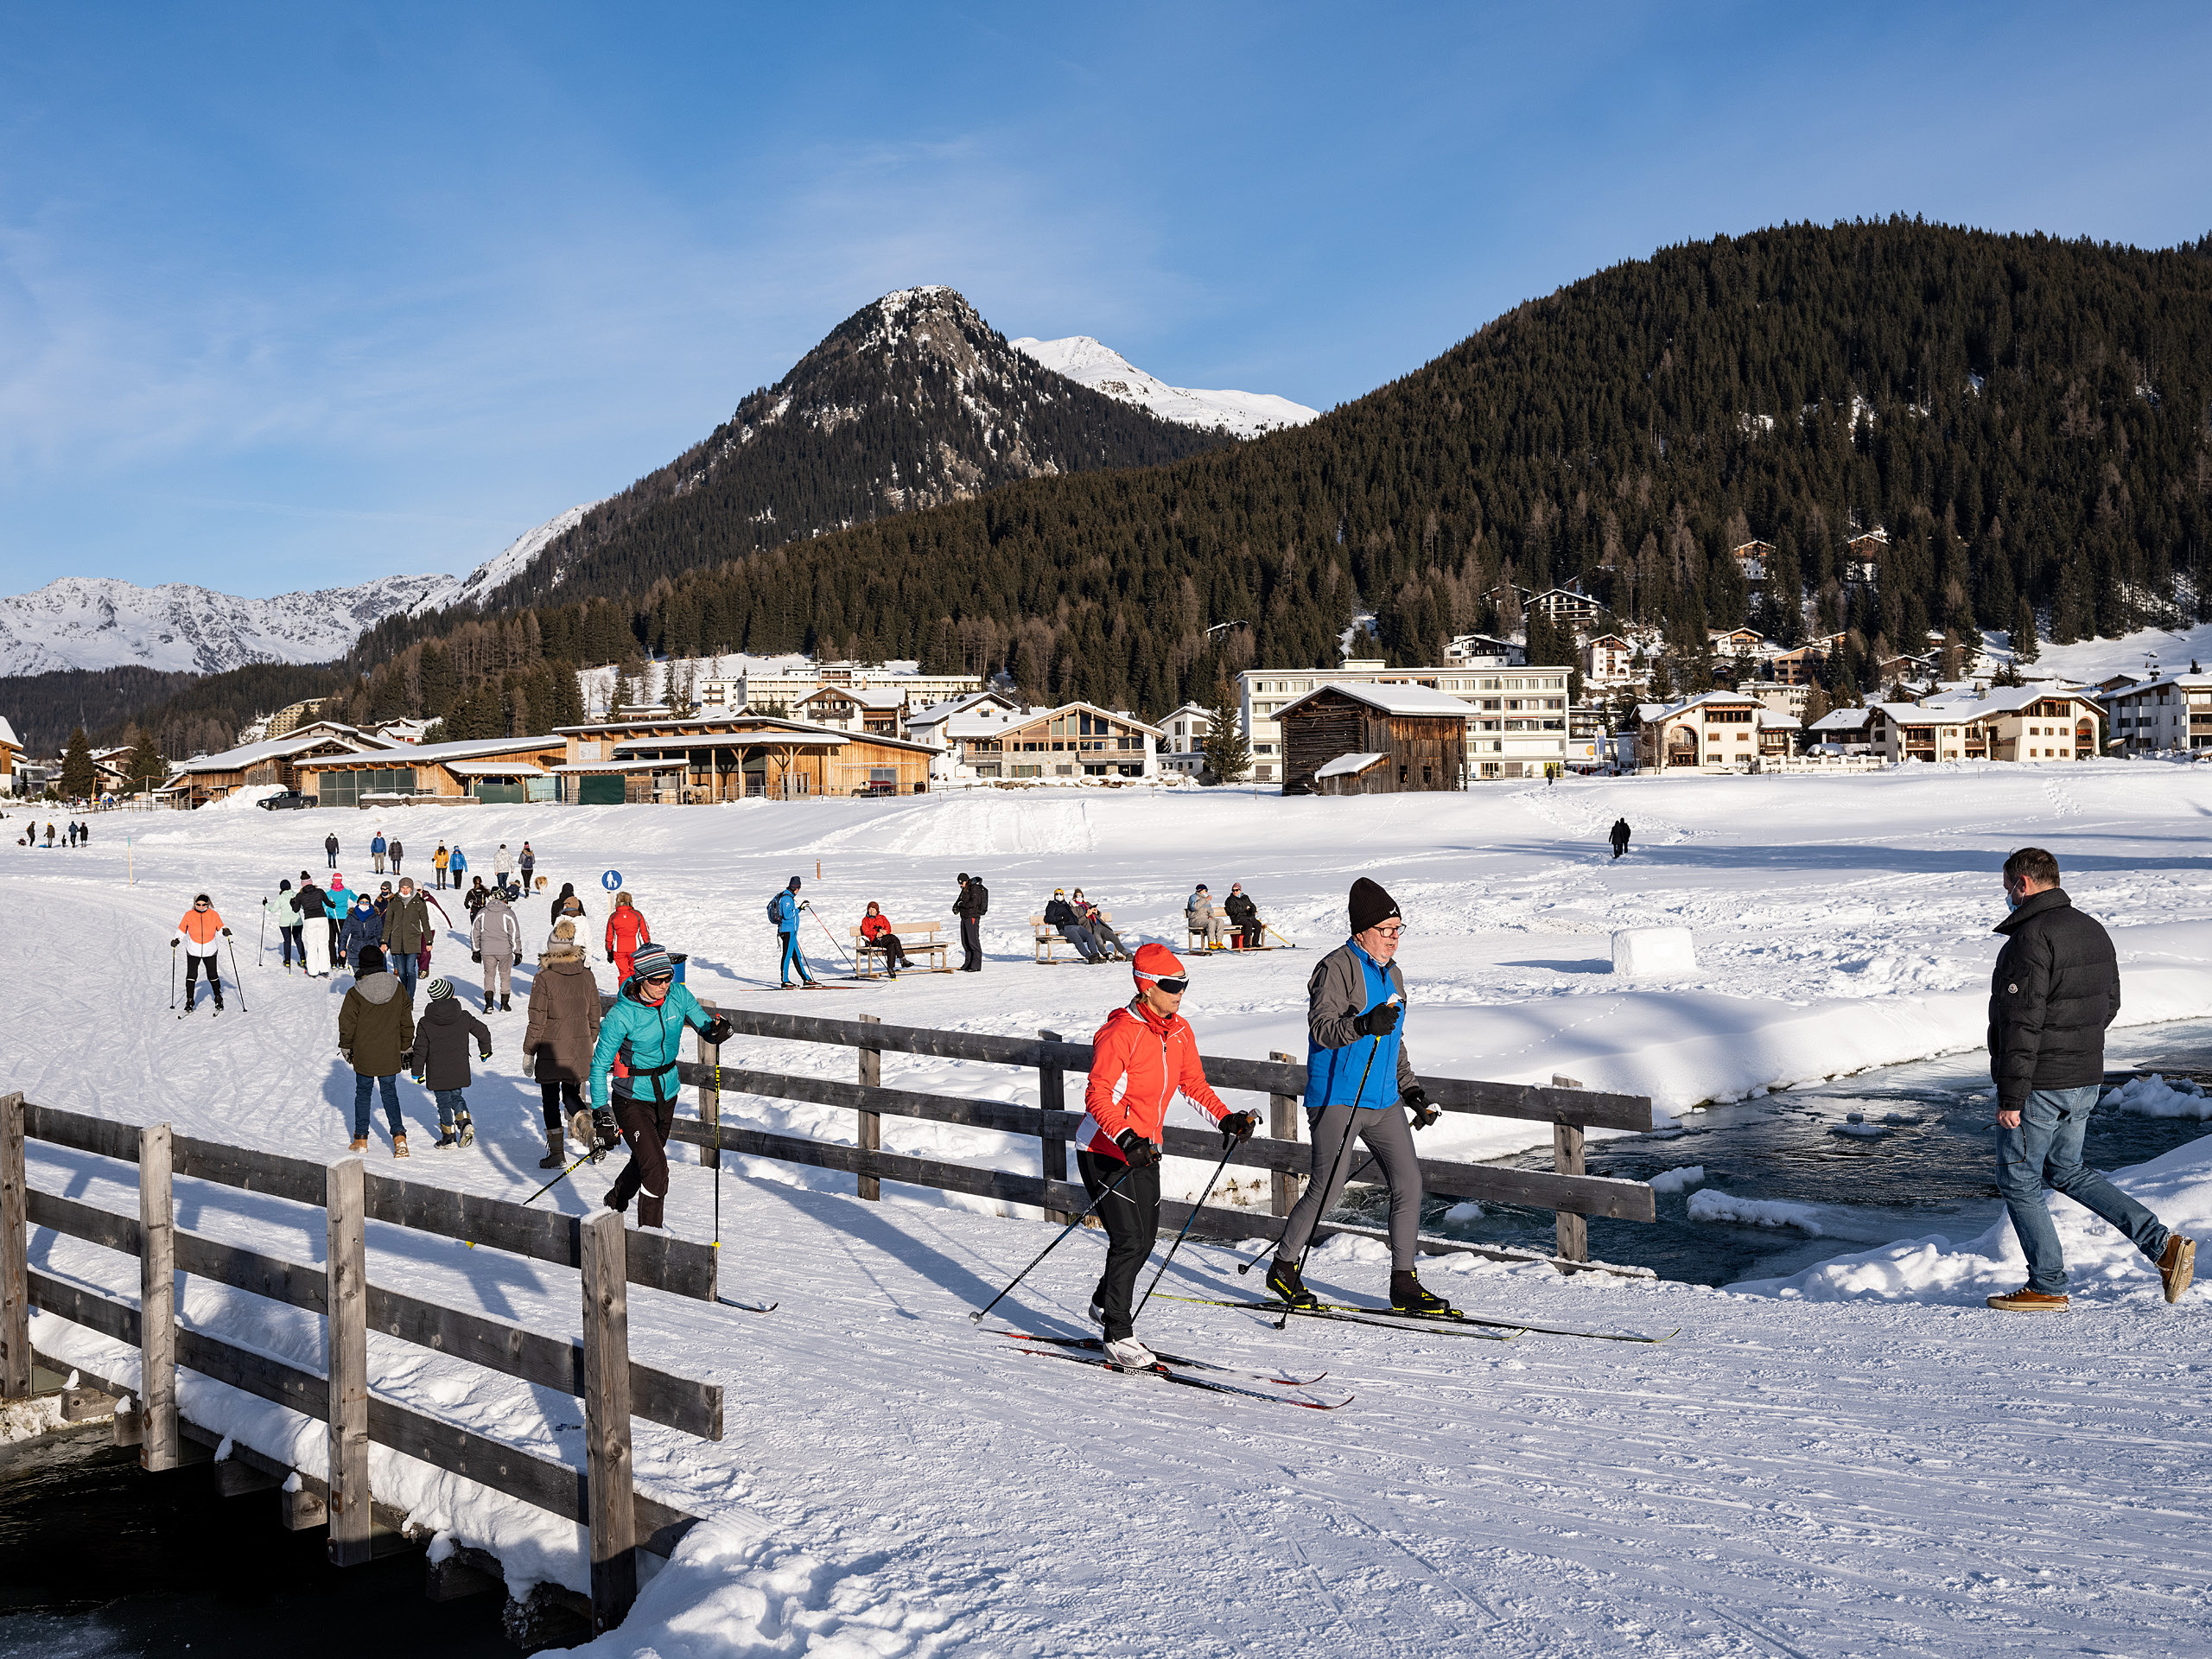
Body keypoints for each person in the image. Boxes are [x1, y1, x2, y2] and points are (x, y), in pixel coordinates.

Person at [1984, 848, 2196, 1312]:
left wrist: (2011, 1095)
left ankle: (2047, 1284)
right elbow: (2110, 1004)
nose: (2005, 897)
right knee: (2066, 1169)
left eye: (2006, 888)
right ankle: (2163, 1247)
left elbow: (2020, 1025)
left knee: (2018, 1179)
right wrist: (2076, 1047)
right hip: (2084, 1077)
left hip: (2040, 1082)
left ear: (2023, 884)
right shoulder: (2091, 929)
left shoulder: (2029, 939)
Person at [1266, 877, 1452, 1318]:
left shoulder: (1394, 974)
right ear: (1362, 930)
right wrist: (1364, 1024)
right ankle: (1284, 1266)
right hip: (1339, 1098)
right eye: (1386, 929)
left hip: (1384, 1100)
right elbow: (1322, 1030)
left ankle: (1403, 1284)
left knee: (1409, 1183)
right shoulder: (1337, 968)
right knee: (1328, 1189)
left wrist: (1412, 1091)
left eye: (1398, 929)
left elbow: (1394, 1039)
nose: (1393, 938)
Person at [1077, 943, 1254, 1368]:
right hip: (1104, 1147)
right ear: (1146, 987)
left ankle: (1105, 1301)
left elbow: (1192, 1083)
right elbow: (1097, 1094)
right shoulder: (1120, 1033)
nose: (1179, 992)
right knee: (1129, 1240)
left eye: (1184, 985)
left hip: (1145, 1151)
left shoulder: (1179, 1031)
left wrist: (1225, 1119)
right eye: (1172, 985)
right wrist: (1124, 1137)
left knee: (1146, 1239)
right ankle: (1117, 1334)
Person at [591, 945, 733, 1229]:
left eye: (667, 977)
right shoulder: (622, 1015)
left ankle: (616, 1199)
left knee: (648, 1158)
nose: (664, 985)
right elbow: (597, 1066)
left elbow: (705, 1025)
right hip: (631, 1098)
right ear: (641, 979)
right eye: (657, 980)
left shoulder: (678, 996)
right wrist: (601, 1112)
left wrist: (716, 1030)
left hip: (668, 1093)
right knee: (656, 1169)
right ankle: (651, 1239)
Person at [524, 920, 607, 1167]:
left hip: (551, 1048)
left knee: (550, 1098)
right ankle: (592, 1134)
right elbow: (595, 1013)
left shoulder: (544, 978)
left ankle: (557, 1154)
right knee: (571, 1093)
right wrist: (588, 1039)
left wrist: (529, 1051)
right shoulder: (587, 975)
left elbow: (537, 1019)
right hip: (579, 1047)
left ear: (550, 950)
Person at [338, 944, 414, 1156]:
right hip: (390, 1052)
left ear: (362, 965)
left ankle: (360, 1140)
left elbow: (347, 1023)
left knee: (363, 1094)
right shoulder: (398, 988)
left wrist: (346, 1045)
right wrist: (406, 1046)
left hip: (364, 1053)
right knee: (390, 1093)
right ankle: (400, 1139)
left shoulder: (355, 992)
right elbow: (406, 1020)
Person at [404, 978, 491, 1150]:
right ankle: (465, 1121)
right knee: (457, 1096)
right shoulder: (463, 1016)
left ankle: (448, 1137)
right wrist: (485, 1050)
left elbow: (420, 1049)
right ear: (452, 995)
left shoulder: (425, 1022)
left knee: (443, 1102)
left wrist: (417, 1072)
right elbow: (483, 1032)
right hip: (459, 1068)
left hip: (437, 1071)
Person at [173, 893, 229, 1014]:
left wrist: (224, 931)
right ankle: (189, 1000)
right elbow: (182, 930)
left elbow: (220, 927)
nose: (201, 906)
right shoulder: (189, 915)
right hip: (193, 949)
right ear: (194, 904)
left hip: (210, 949)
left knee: (212, 974)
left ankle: (218, 997)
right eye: (198, 904)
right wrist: (177, 939)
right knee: (191, 975)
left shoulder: (214, 915)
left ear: (208, 904)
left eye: (204, 904)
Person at [472, 884, 522, 1012]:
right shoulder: (508, 913)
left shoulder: (482, 912)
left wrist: (475, 950)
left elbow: (474, 932)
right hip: (505, 951)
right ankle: (504, 1004)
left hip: (487, 951)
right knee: (505, 975)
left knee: (489, 975)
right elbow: (514, 933)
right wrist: (518, 952)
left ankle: (489, 1004)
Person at [381, 878, 433, 1000]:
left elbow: (425, 922)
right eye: (403, 888)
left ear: (411, 888)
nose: (405, 890)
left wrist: (429, 941)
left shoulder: (419, 902)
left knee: (410, 970)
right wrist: (384, 941)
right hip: (397, 941)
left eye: (408, 888)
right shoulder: (393, 901)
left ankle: (409, 998)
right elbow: (388, 922)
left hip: (413, 940)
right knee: (402, 972)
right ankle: (405, 994)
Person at [772, 876, 817, 988]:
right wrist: (799, 909)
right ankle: (785, 981)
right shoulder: (787, 898)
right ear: (796, 888)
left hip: (790, 931)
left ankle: (806, 979)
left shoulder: (787, 896)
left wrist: (799, 908)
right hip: (788, 931)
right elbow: (788, 915)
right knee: (787, 956)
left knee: (796, 956)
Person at [1043, 888, 1107, 963]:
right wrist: (1061, 918)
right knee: (1078, 939)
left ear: (1063, 896)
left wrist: (1076, 920)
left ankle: (1096, 955)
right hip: (1065, 928)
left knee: (1090, 936)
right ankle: (1089, 957)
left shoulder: (1066, 905)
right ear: (1054, 896)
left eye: (1060, 894)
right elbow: (1048, 919)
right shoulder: (1052, 905)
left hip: (1076, 926)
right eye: (1057, 894)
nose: (1059, 895)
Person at [606, 891, 652, 984]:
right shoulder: (637, 914)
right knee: (635, 973)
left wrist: (609, 951)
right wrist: (648, 946)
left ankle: (623, 995)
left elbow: (609, 936)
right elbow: (645, 932)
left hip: (618, 949)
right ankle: (635, 995)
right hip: (635, 949)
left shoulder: (613, 916)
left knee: (623, 974)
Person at [295, 874, 334, 977]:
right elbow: (329, 904)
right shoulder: (319, 891)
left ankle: (313, 971)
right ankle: (325, 968)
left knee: (311, 946)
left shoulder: (300, 895)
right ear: (311, 882)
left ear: (302, 884)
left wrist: (292, 903)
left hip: (310, 920)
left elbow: (295, 910)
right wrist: (333, 904)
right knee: (323, 944)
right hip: (322, 919)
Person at [1071, 890, 1128, 960]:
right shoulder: (1073, 908)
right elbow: (1077, 922)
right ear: (1074, 897)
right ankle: (1106, 954)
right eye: (1077, 896)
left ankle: (1127, 954)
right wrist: (1086, 915)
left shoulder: (1087, 904)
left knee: (1115, 938)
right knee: (1099, 941)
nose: (1079, 897)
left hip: (1100, 925)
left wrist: (1097, 912)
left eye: (1081, 896)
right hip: (1090, 928)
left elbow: (1099, 914)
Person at [860, 901, 910, 976]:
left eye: (873, 909)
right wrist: (877, 932)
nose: (871, 911)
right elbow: (866, 932)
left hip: (885, 938)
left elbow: (888, 928)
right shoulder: (865, 920)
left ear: (877, 910)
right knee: (893, 938)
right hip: (875, 940)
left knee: (892, 945)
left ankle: (890, 968)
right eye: (870, 909)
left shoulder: (882, 918)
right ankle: (902, 959)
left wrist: (882, 933)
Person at [340, 894, 383, 975]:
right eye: (362, 902)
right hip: (355, 948)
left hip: (371, 948)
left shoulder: (375, 917)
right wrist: (342, 948)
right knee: (359, 977)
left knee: (370, 977)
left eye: (367, 902)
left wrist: (381, 945)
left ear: (370, 904)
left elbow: (379, 933)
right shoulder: (351, 917)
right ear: (358, 903)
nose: (364, 904)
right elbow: (344, 934)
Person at [954, 872, 987, 972]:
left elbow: (973, 903)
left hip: (972, 917)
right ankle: (968, 963)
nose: (960, 885)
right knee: (965, 942)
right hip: (964, 917)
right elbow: (959, 900)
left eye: (961, 883)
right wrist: (956, 907)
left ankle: (976, 964)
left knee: (973, 941)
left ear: (966, 881)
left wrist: (962, 904)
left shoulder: (975, 888)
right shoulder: (965, 889)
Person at [1185, 884, 1230, 949]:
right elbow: (1194, 907)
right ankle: (1211, 942)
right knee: (1211, 922)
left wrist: (1211, 916)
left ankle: (1219, 942)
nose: (1207, 892)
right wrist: (1205, 899)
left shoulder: (1206, 899)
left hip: (1205, 919)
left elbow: (1210, 910)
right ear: (1201, 891)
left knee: (1220, 921)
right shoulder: (1193, 897)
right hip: (1195, 920)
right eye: (1206, 890)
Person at [274, 879, 305, 970]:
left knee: (287, 940)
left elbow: (273, 909)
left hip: (284, 923)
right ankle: (303, 959)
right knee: (298, 940)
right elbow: (302, 907)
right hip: (297, 922)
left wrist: (266, 904)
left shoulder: (280, 897)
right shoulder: (296, 895)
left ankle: (287, 961)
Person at [1224, 882, 1262, 949]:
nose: (1235, 892)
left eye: (1236, 890)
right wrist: (1245, 908)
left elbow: (1252, 905)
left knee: (1258, 924)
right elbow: (1233, 910)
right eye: (1233, 890)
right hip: (1237, 918)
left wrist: (1252, 912)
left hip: (1247, 916)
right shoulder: (1230, 900)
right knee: (1248, 924)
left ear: (1240, 890)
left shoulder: (1245, 897)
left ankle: (1255, 942)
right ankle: (1246, 943)